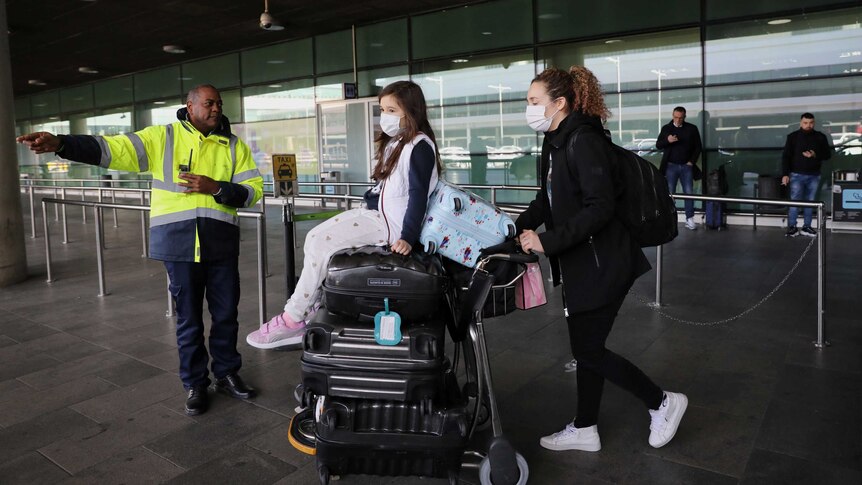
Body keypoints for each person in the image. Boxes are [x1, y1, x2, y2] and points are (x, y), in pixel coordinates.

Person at [17, 85, 264, 417]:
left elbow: (254, 191)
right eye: (209, 103)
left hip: (220, 245)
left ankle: (227, 373)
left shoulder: (234, 146)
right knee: (189, 319)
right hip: (177, 244)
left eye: (219, 103)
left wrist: (216, 187)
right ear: (190, 107)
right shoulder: (162, 138)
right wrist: (62, 143)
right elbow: (111, 148)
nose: (216, 108)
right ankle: (195, 384)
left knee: (226, 315)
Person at [517, 66, 687, 453]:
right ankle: (585, 427)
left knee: (589, 349)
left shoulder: (583, 141)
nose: (528, 109)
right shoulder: (555, 141)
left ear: (559, 103)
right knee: (586, 347)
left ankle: (662, 402)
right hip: (582, 262)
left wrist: (548, 242)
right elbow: (546, 199)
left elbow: (599, 207)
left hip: (604, 261)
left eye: (534, 102)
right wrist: (513, 227)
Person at [246, 80, 441, 349]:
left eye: (392, 110)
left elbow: (418, 194)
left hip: (391, 226)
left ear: (411, 111)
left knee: (320, 242)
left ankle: (293, 319)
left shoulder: (419, 146)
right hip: (376, 215)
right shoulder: (397, 143)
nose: (385, 116)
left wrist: (408, 236)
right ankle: (307, 309)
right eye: (383, 109)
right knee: (315, 238)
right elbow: (388, 188)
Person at [781, 113, 832, 237]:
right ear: (800, 123)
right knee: (795, 201)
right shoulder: (793, 137)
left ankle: (807, 227)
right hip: (796, 174)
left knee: (810, 202)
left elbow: (828, 155)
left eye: (810, 123)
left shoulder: (820, 137)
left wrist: (815, 155)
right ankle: (792, 226)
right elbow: (786, 156)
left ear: (814, 123)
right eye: (805, 123)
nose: (808, 125)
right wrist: (785, 174)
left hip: (814, 175)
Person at [656, 106, 703, 230]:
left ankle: (689, 219)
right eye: (675, 117)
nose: (677, 120)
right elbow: (658, 145)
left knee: (689, 193)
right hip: (670, 166)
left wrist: (691, 162)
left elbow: (698, 147)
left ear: (684, 117)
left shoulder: (691, 129)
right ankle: (669, 218)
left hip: (686, 166)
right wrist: (668, 140)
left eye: (680, 118)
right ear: (672, 116)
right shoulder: (667, 128)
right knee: (670, 193)